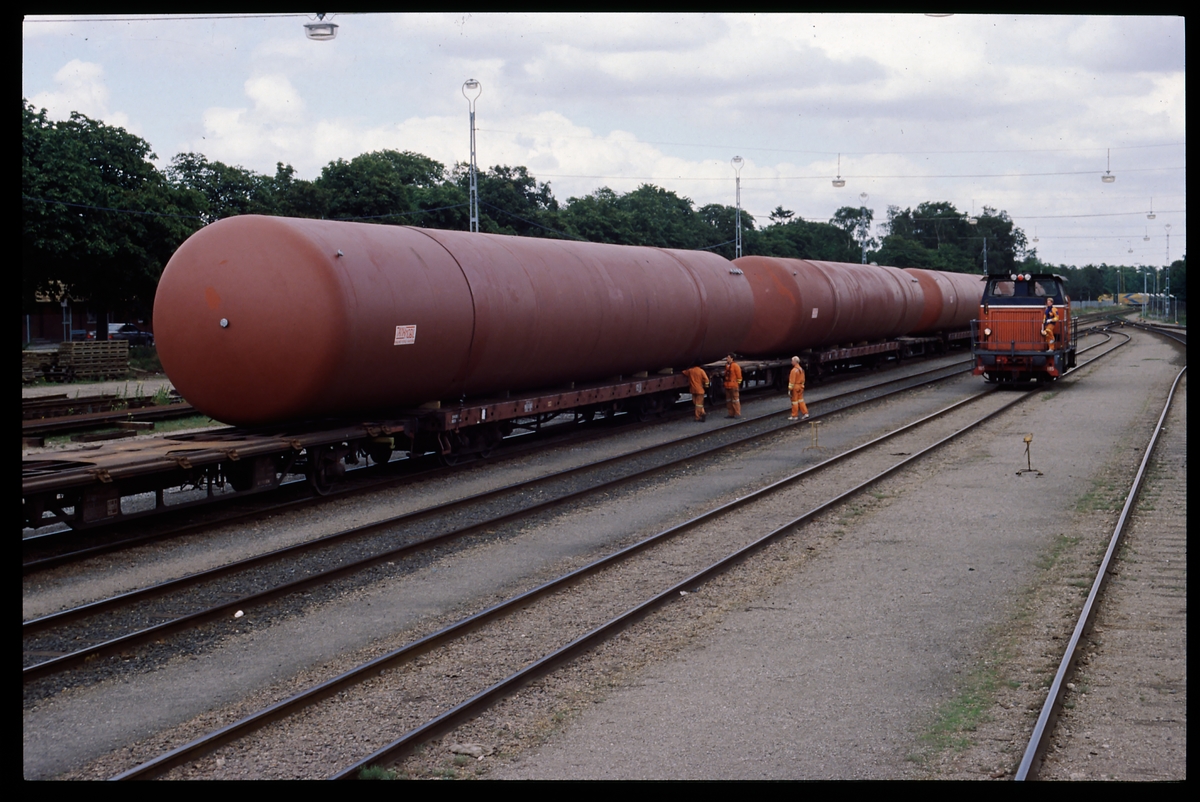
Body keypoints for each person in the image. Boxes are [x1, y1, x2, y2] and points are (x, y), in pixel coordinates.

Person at [787, 356, 809, 421]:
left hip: (795, 388)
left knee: (794, 402)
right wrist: (802, 386)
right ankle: (805, 413)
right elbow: (803, 380)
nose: (791, 362)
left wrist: (789, 389)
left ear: (795, 362)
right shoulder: (801, 369)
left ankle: (794, 416)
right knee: (801, 400)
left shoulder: (793, 371)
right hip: (801, 387)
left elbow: (792, 382)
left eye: (792, 361)